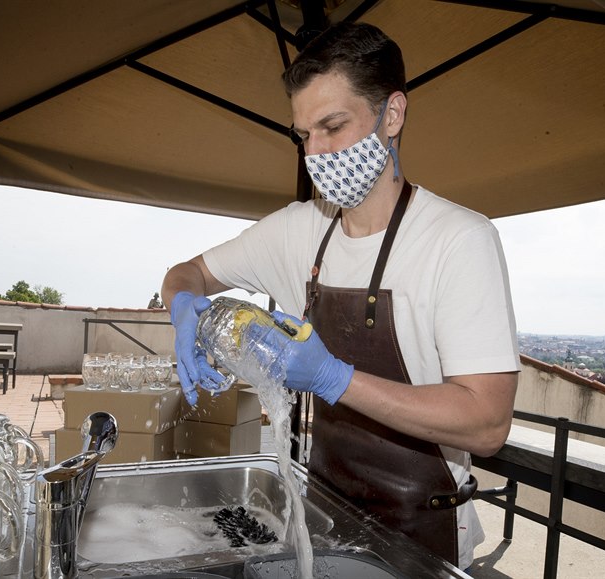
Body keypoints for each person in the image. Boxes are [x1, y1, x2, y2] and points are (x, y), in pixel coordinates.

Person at [160, 22, 519, 569]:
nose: (317, 152)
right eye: (304, 134)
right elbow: (189, 273)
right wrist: (183, 307)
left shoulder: (458, 241)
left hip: (422, 534)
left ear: (391, 115)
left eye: (332, 126)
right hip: (327, 514)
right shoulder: (297, 231)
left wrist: (335, 378)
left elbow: (487, 422)